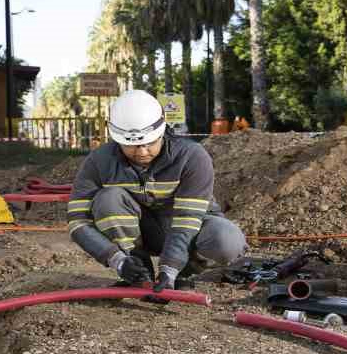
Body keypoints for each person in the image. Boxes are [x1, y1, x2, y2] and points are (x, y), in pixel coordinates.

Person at [67, 90, 247, 291]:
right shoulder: (98, 162)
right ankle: (138, 272)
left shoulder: (192, 157)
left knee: (227, 240)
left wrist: (170, 270)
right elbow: (77, 222)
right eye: (132, 145)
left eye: (150, 143)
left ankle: (184, 272)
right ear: (117, 139)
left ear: (162, 130)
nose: (142, 152)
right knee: (108, 199)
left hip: (188, 230)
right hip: (141, 234)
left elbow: (187, 219)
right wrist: (118, 260)